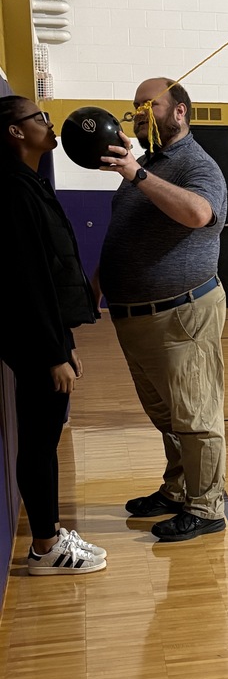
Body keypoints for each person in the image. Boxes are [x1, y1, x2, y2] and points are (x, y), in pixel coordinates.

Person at [96, 77, 228, 543]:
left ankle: (207, 506)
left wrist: (137, 174)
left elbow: (198, 214)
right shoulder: (147, 164)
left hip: (182, 314)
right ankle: (177, 491)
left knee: (195, 415)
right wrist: (99, 282)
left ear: (179, 112)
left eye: (147, 106)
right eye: (134, 107)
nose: (137, 114)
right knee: (167, 415)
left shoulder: (198, 164)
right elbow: (125, 235)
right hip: (135, 316)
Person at [0, 95, 106, 574]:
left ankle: (49, 533)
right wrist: (52, 352)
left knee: (46, 439)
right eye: (38, 118)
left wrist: (66, 341)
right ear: (15, 132)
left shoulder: (29, 183)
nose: (48, 122)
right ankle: (45, 548)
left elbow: (49, 273)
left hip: (46, 340)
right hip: (33, 344)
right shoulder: (13, 190)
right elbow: (26, 281)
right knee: (41, 444)